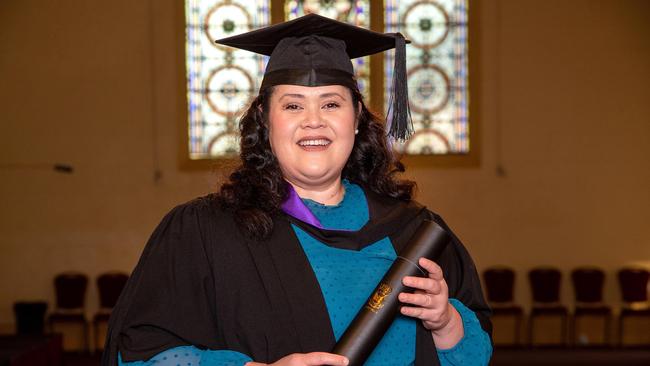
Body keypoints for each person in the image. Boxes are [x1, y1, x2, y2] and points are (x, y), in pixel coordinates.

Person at [103, 14, 492, 366]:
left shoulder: (416, 233)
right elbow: (140, 354)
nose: (313, 122)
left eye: (331, 104)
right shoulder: (205, 233)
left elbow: (476, 356)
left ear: (356, 118)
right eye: (292, 106)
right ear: (264, 119)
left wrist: (446, 323)